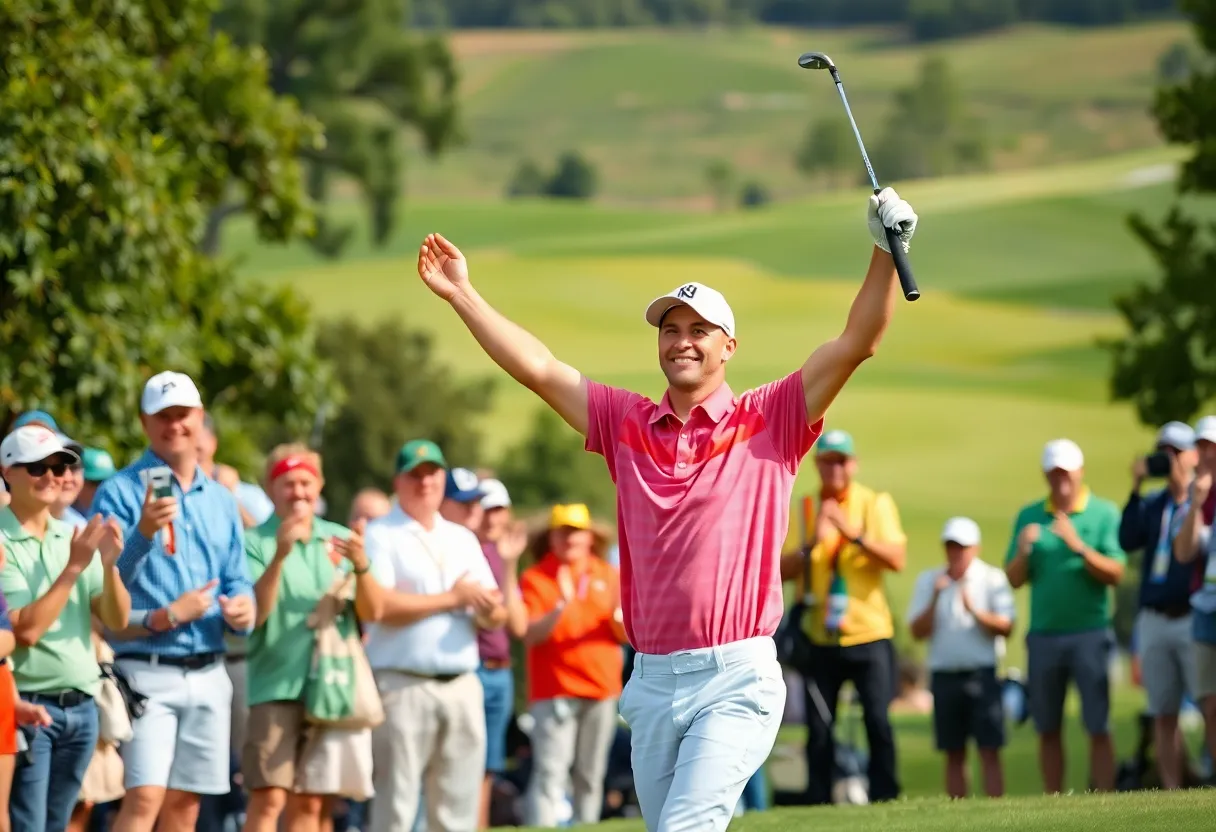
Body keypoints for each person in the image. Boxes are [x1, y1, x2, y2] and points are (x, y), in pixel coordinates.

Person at [413, 184, 918, 830]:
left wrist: (884, 249)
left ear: (728, 345)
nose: (682, 341)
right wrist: (463, 294)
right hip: (651, 682)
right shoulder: (624, 421)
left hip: (735, 674)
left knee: (685, 827)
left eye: (699, 330)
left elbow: (856, 343)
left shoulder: (771, 417)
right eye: (671, 330)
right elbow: (538, 368)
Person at [90, 371, 257, 832]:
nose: (174, 426)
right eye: (162, 416)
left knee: (185, 806)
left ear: (200, 419)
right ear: (145, 423)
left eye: (182, 414)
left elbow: (238, 578)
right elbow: (102, 588)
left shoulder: (223, 500)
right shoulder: (119, 491)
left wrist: (243, 609)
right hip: (144, 669)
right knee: (144, 798)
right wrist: (142, 532)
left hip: (209, 669)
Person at [362, 439, 508, 832]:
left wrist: (490, 609)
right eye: (416, 475)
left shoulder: (461, 537)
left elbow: (495, 614)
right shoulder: (381, 533)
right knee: (396, 807)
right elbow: (381, 607)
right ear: (398, 480)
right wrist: (453, 598)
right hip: (402, 684)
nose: (425, 483)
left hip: (462, 682)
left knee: (457, 811)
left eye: (433, 474)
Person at [241, 444, 385, 832]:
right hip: (274, 685)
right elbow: (255, 615)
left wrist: (362, 566)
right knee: (268, 796)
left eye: (306, 482)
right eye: (288, 484)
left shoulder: (339, 539)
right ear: (271, 488)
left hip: (331, 686)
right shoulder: (254, 541)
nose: (298, 492)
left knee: (311, 802)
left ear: (319, 485)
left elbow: (373, 613)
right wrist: (280, 556)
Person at [0, 425, 132, 830]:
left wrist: (108, 567)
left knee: (58, 825)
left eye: (61, 466)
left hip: (82, 705)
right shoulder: (2, 540)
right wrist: (75, 567)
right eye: (39, 467)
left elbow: (117, 619)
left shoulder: (70, 534)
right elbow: (25, 630)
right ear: (8, 471)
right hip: (30, 706)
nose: (54, 476)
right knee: (28, 825)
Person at [779, 429, 907, 804]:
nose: (835, 469)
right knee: (819, 728)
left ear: (853, 465)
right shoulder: (804, 508)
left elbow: (896, 558)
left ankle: (886, 795)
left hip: (868, 633)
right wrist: (811, 545)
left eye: (841, 461)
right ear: (817, 464)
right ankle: (819, 799)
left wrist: (853, 535)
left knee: (878, 722)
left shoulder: (873, 504)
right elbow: (779, 570)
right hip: (820, 636)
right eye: (827, 461)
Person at [1004, 438, 1125, 794]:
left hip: (1090, 632)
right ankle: (1054, 799)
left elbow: (1116, 572)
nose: (1061, 482)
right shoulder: (1029, 517)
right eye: (1054, 474)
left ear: (1080, 473)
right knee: (1047, 725)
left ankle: (1106, 796)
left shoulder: (1103, 513)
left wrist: (1079, 547)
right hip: (1044, 634)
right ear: (1046, 475)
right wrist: (1023, 553)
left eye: (1067, 474)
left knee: (1098, 723)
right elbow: (1013, 579)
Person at [519, 504, 626, 828]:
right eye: (563, 531)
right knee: (550, 771)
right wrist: (559, 609)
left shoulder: (608, 574)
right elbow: (529, 633)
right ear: (551, 538)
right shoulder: (536, 577)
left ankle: (586, 825)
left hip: (601, 687)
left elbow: (623, 634)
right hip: (555, 688)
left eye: (576, 531)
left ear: (589, 537)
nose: (570, 538)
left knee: (590, 775)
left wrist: (619, 621)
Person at [1119, 421, 1205, 790]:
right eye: (1163, 452)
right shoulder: (1154, 505)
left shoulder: (1203, 501)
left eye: (1175, 452)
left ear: (1192, 456)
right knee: (1163, 709)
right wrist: (1136, 487)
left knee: (1207, 703)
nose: (1167, 459)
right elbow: (1127, 538)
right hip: (1154, 617)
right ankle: (1172, 788)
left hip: (1191, 614)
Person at [906, 517, 1014, 799]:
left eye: (962, 547)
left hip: (982, 674)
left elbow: (1006, 626)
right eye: (951, 546)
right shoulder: (930, 581)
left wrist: (975, 611)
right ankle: (959, 813)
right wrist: (935, 599)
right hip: (944, 676)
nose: (956, 553)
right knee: (953, 751)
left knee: (989, 749)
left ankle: (996, 810)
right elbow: (917, 631)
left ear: (975, 548)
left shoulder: (991, 578)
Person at [473, 478, 528, 830]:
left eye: (498, 510)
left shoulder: (503, 554)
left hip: (500, 671)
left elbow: (519, 626)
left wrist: (509, 565)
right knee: (463, 763)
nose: (492, 518)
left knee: (488, 766)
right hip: (471, 668)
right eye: (486, 509)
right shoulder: (464, 547)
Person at [1171, 416, 1216, 776]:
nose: (1204, 453)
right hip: (1205, 607)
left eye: (1210, 446)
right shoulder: (1196, 493)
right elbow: (1185, 553)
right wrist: (1197, 503)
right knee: (1210, 704)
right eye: (1200, 446)